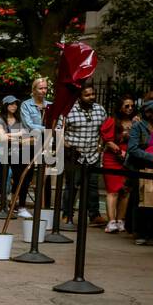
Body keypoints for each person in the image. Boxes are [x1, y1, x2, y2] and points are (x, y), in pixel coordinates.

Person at [126, 95, 153, 246]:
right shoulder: (138, 126)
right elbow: (132, 149)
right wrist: (152, 158)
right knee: (142, 201)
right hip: (142, 167)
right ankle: (142, 233)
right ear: (147, 112)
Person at [60, 82, 107, 228]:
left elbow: (104, 131)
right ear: (79, 96)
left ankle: (94, 215)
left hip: (93, 154)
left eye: (93, 94)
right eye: (87, 95)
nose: (91, 97)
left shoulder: (100, 110)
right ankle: (67, 214)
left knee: (92, 186)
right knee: (72, 185)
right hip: (74, 155)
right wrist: (69, 147)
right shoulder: (68, 111)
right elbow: (59, 133)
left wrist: (100, 147)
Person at [100, 97, 135, 233]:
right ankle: (111, 221)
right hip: (113, 158)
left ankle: (120, 220)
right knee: (112, 190)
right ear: (120, 107)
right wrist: (120, 151)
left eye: (132, 106)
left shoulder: (135, 122)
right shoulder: (112, 121)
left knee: (125, 191)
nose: (130, 109)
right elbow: (107, 141)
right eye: (127, 106)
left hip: (129, 158)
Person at [0, 95, 32, 216]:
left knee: (20, 178)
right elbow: (2, 136)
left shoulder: (20, 119)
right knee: (3, 178)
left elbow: (25, 134)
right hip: (5, 152)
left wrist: (11, 136)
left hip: (19, 152)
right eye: (11, 104)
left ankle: (19, 205)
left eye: (16, 104)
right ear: (5, 106)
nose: (14, 106)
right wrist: (18, 135)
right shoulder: (1, 120)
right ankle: (3, 205)